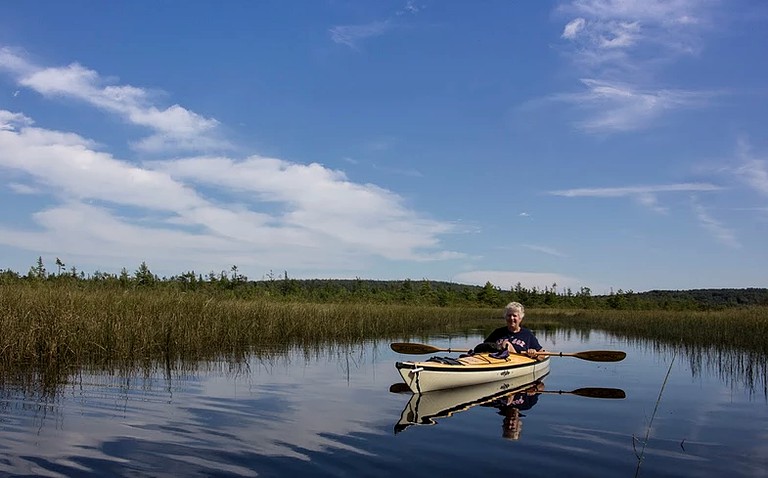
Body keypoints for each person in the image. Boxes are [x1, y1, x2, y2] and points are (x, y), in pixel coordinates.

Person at [473, 302, 544, 359]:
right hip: (496, 362)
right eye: (509, 315)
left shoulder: (527, 334)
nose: (511, 318)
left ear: (520, 318)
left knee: (507, 345)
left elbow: (542, 355)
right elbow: (484, 347)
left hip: (517, 363)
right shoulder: (497, 332)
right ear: (505, 317)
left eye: (514, 316)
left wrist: (534, 354)